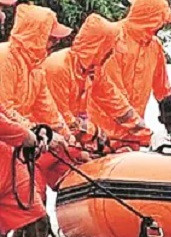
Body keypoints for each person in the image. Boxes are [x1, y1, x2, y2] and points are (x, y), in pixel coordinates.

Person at [88, 0, 171, 150]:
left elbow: (164, 92)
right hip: (102, 136)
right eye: (162, 21)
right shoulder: (114, 39)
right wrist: (146, 134)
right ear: (152, 20)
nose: (163, 26)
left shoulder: (154, 45)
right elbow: (112, 97)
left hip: (134, 138)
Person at [43, 13, 119, 149]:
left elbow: (115, 101)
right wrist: (94, 133)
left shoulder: (87, 71)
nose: (111, 54)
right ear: (99, 47)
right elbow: (61, 119)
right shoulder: (59, 68)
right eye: (109, 48)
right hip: (45, 143)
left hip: (62, 142)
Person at [0, 3, 73, 138]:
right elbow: (5, 114)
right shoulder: (5, 58)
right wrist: (37, 132)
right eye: (52, 39)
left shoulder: (35, 68)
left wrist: (68, 138)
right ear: (36, 36)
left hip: (21, 137)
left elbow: (47, 109)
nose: (56, 44)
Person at [0, 103, 49, 237]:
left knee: (38, 219)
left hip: (8, 171)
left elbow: (5, 114)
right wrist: (26, 135)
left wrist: (35, 131)